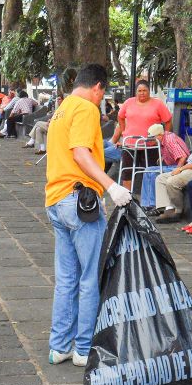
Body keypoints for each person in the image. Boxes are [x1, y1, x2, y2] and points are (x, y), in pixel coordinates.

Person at [45, 63, 133, 367]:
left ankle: (59, 347)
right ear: (98, 87)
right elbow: (80, 153)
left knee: (66, 279)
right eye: (102, 94)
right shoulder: (84, 108)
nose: (101, 100)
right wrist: (111, 186)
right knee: (89, 277)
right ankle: (83, 349)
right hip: (79, 202)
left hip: (57, 199)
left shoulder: (63, 107)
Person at [111, 80, 172, 191]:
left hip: (150, 144)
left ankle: (148, 201)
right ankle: (127, 198)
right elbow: (120, 117)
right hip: (130, 144)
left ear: (149, 91)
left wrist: (164, 137)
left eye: (144, 90)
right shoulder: (129, 102)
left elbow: (168, 120)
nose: (142, 93)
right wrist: (123, 131)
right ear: (136, 92)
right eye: (139, 91)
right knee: (127, 171)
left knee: (150, 172)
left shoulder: (157, 104)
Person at [155, 114, 192, 223]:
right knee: (160, 178)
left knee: (172, 181)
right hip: (189, 166)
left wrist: (181, 168)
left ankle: (177, 210)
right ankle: (167, 208)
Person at [139, 123, 190, 211]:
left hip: (181, 166)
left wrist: (178, 170)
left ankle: (153, 204)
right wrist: (163, 156)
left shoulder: (169, 140)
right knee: (147, 170)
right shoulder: (163, 138)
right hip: (175, 165)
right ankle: (147, 203)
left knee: (153, 173)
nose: (151, 140)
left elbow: (183, 156)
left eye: (153, 137)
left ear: (159, 135)